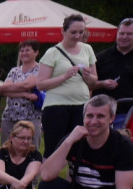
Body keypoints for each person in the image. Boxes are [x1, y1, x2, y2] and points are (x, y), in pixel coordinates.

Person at [36, 95, 133, 189]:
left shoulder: (123, 146)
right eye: (89, 116)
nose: (93, 121)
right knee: (47, 187)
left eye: (100, 116)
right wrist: (68, 141)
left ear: (111, 118)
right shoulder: (73, 139)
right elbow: (46, 175)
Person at [38, 14, 98, 157]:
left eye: (81, 32)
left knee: (80, 150)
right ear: (63, 31)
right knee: (54, 149)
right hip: (56, 106)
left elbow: (95, 81)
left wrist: (88, 77)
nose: (77, 36)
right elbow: (40, 84)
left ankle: (75, 179)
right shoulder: (52, 53)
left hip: (81, 105)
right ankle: (48, 178)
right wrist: (64, 76)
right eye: (73, 32)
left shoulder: (87, 49)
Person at [0, 39, 42, 149]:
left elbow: (27, 85)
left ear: (36, 52)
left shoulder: (40, 70)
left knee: (31, 150)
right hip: (10, 116)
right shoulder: (14, 71)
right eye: (22, 50)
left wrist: (8, 88)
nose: (24, 53)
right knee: (6, 149)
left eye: (27, 50)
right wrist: (25, 95)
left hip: (31, 117)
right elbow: (1, 91)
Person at [93, 18, 133, 128]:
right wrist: (102, 83)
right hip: (102, 114)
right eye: (122, 33)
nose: (124, 37)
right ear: (117, 34)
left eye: (129, 34)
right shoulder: (101, 58)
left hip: (130, 115)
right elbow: (88, 84)